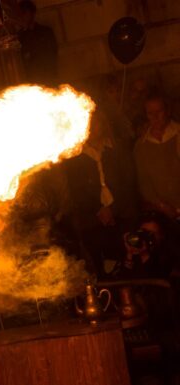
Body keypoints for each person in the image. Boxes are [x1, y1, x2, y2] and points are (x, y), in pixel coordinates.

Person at [62, 108, 139, 275]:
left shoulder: (118, 149)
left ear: (103, 124)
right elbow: (77, 190)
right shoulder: (75, 157)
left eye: (95, 123)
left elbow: (128, 183)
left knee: (128, 262)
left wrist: (113, 209)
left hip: (122, 217)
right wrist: (99, 210)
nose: (91, 128)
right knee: (101, 268)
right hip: (93, 221)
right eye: (88, 125)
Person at [133, 95, 180, 222]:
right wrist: (161, 206)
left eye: (159, 111)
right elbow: (144, 182)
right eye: (150, 113)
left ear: (167, 111)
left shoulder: (178, 134)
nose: (155, 117)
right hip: (164, 214)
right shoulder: (141, 146)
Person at [17, 0, 58, 86]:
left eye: (25, 13)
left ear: (32, 13)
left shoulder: (46, 32)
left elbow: (53, 53)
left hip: (48, 76)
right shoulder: (20, 37)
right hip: (31, 80)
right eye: (21, 14)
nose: (23, 17)